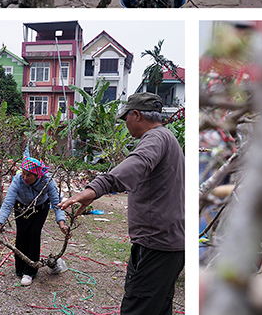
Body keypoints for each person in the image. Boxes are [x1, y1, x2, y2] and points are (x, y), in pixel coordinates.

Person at [59, 92, 184, 315]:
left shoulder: (155, 138)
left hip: (156, 244)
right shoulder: (168, 139)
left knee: (137, 308)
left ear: (136, 115)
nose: (125, 124)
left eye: (125, 118)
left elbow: (137, 163)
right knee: (159, 307)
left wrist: (95, 188)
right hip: (169, 244)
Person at [0, 157, 68, 286]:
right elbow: (8, 204)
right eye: (24, 174)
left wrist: (61, 223)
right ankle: (20, 269)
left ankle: (30, 272)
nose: (25, 178)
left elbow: (56, 203)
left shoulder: (47, 181)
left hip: (40, 208)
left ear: (37, 175)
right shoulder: (18, 180)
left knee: (34, 233)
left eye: (29, 175)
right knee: (21, 234)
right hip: (21, 207)